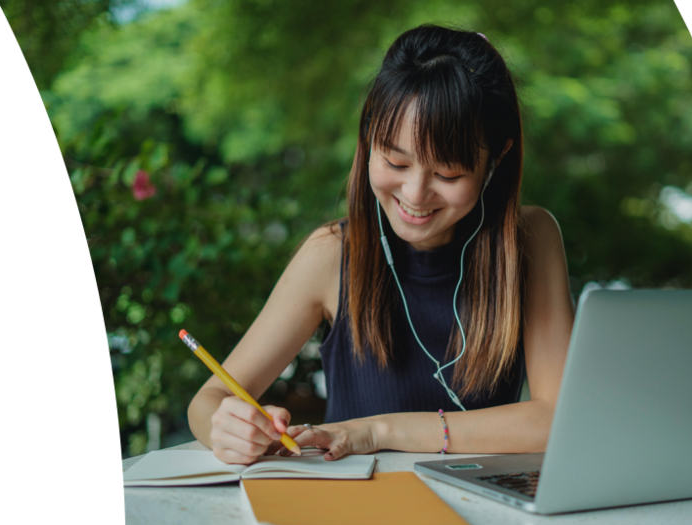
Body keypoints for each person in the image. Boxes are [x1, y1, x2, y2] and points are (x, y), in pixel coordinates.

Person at [187, 24, 575, 464]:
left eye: (447, 175)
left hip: (485, 515)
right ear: (369, 135)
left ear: (496, 158)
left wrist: (378, 430)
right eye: (395, 161)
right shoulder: (331, 254)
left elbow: (555, 419)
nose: (414, 194)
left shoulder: (531, 239)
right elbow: (209, 398)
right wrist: (228, 427)